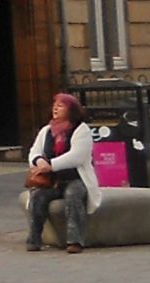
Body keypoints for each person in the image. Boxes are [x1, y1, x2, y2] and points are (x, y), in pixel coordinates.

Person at [24, 91, 103, 253]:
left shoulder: (81, 130)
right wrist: (39, 161)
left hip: (76, 178)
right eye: (55, 106)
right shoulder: (46, 131)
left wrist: (51, 165)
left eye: (61, 106)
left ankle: (75, 241)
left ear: (71, 110)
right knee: (38, 196)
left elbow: (77, 156)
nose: (55, 109)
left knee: (73, 195)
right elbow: (34, 151)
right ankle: (34, 239)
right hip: (52, 181)